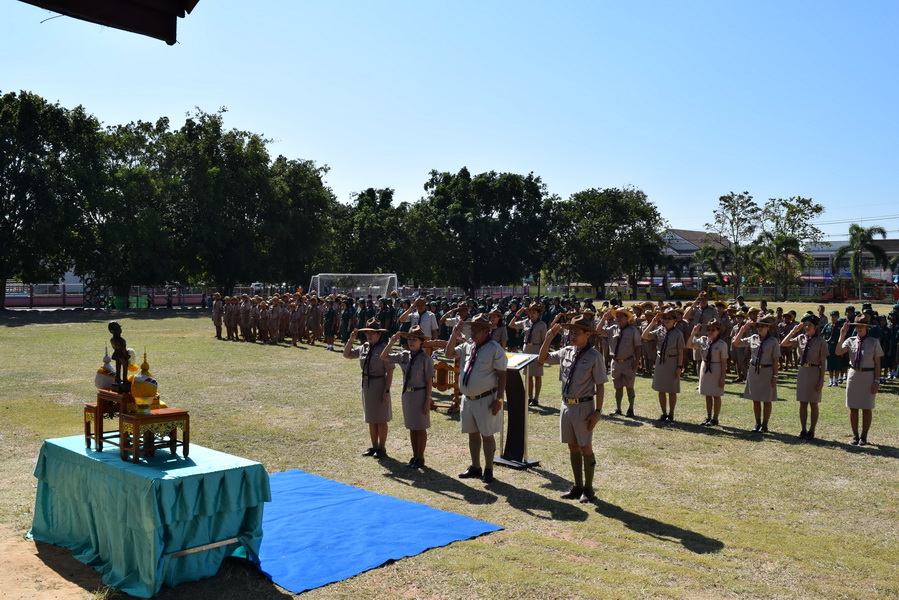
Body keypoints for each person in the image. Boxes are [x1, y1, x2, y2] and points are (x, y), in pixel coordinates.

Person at [538, 314, 606, 503]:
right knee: (572, 446)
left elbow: (600, 385)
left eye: (577, 333)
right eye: (571, 332)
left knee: (585, 447)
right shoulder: (566, 351)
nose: (572, 336)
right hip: (566, 405)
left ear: (587, 334)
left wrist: (598, 412)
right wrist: (548, 338)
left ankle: (588, 489)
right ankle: (577, 486)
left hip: (584, 406)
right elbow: (542, 359)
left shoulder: (594, 356)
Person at [445, 314, 508, 484]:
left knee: (487, 434)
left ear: (487, 331)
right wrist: (454, 334)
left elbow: (502, 375)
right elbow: (449, 353)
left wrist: (499, 400)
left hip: (486, 399)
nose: (473, 332)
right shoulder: (468, 345)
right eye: (472, 328)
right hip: (468, 399)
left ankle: (489, 469)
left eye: (478, 329)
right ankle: (475, 466)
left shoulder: (495, 349)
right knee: (472, 434)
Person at [381, 325, 434, 468]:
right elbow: (384, 356)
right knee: (412, 426)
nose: (411, 342)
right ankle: (414, 456)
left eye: (415, 339)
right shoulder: (404, 355)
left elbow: (429, 380)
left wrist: (428, 400)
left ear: (421, 341)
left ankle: (420, 457)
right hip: (408, 395)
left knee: (420, 427)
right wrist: (391, 342)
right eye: (409, 339)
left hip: (420, 394)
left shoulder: (425, 358)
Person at [344, 318, 395, 458]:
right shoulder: (364, 347)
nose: (369, 335)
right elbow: (347, 354)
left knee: (381, 418)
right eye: (367, 333)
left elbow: (390, 371)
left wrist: (386, 390)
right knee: (371, 418)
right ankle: (374, 446)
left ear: (379, 334)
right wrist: (351, 340)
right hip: (367, 385)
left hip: (379, 384)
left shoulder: (384, 349)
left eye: (372, 333)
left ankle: (382, 447)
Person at [836, 317, 882, 445]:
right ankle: (855, 435)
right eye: (857, 326)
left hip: (868, 375)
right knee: (853, 407)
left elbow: (877, 363)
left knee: (867, 407)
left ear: (867, 327)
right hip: (854, 375)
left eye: (862, 326)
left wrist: (876, 381)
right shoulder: (850, 340)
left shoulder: (874, 342)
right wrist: (842, 335)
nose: (859, 328)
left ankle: (864, 436)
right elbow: (838, 352)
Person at [782, 314, 827, 440]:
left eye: (810, 325)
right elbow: (784, 343)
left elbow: (823, 362)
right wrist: (793, 331)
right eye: (805, 325)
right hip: (803, 371)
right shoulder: (800, 338)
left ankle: (812, 430)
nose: (807, 327)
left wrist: (821, 380)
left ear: (816, 327)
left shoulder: (821, 341)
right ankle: (803, 429)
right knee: (802, 403)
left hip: (814, 371)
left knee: (813, 403)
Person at [734, 315, 780, 432]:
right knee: (755, 398)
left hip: (767, 371)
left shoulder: (773, 341)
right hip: (754, 370)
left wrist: (775, 376)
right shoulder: (753, 338)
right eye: (758, 326)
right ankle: (757, 423)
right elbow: (736, 343)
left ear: (768, 328)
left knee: (767, 399)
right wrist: (742, 330)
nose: (760, 328)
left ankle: (765, 425)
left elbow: (775, 360)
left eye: (763, 326)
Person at [598, 307, 642, 417]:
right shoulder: (612, 329)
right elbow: (598, 331)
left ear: (627, 318)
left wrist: (637, 361)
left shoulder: (633, 331)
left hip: (628, 362)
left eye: (621, 316)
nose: (618, 318)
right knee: (617, 386)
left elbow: (638, 347)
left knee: (629, 386)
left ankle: (631, 409)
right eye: (616, 316)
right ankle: (618, 408)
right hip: (616, 362)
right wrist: (603, 319)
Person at [642, 310, 685, 422]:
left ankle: (671, 414)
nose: (667, 320)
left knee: (672, 389)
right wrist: (653, 322)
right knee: (660, 389)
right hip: (660, 361)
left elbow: (680, 352)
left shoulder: (678, 333)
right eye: (665, 318)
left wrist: (679, 367)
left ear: (674, 320)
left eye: (669, 318)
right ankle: (664, 413)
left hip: (672, 361)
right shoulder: (659, 330)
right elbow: (645, 336)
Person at [687, 319, 728, 426]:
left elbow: (724, 362)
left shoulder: (722, 344)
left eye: (713, 330)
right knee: (707, 394)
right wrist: (693, 333)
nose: (710, 332)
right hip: (705, 367)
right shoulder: (703, 340)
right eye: (709, 329)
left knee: (716, 394)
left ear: (718, 331)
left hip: (716, 367)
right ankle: (708, 416)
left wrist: (722, 377)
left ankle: (715, 418)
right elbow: (689, 345)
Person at [509, 302, 548, 406]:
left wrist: (543, 356)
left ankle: (536, 398)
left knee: (538, 376)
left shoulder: (542, 325)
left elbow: (544, 341)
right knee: (528, 376)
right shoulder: (525, 322)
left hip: (537, 349)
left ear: (538, 313)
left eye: (534, 312)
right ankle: (530, 397)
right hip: (526, 350)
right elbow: (511, 325)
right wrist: (517, 315)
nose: (532, 314)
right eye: (530, 312)